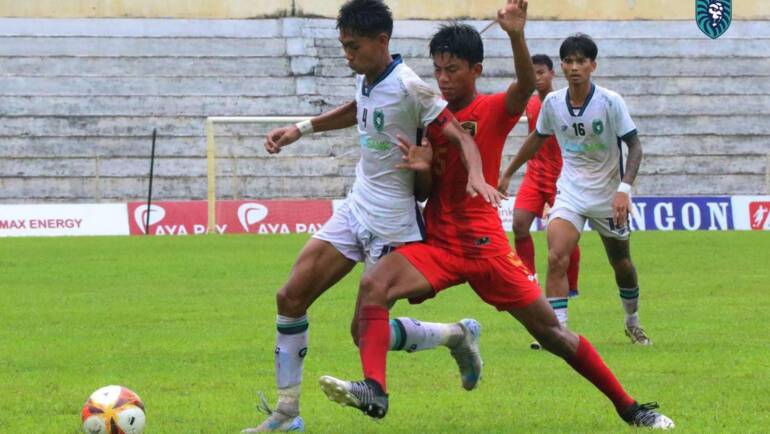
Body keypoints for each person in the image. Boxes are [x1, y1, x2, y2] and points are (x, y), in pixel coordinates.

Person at [318, 7, 674, 430]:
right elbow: (423, 193)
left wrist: (517, 37)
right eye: (438, 70)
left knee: (554, 336)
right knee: (372, 290)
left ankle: (631, 408)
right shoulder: (427, 118)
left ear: (475, 70)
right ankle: (379, 387)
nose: (444, 79)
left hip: (486, 247)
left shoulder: (492, 108)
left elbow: (525, 85)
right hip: (438, 244)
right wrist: (422, 170)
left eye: (453, 70)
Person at [243, 0, 504, 432]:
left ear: (382, 41)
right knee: (289, 297)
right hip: (356, 207)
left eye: (353, 46)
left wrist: (476, 175)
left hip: (394, 224)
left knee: (363, 333)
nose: (347, 55)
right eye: (343, 45)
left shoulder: (412, 87)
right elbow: (357, 110)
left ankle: (457, 335)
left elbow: (459, 135)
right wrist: (300, 129)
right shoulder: (368, 79)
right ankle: (287, 413)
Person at [500, 33, 653, 346]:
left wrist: (624, 189)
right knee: (556, 256)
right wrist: (508, 173)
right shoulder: (553, 103)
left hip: (609, 196)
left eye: (581, 61)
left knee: (621, 263)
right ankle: (557, 332)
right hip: (570, 192)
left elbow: (634, 146)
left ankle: (632, 320)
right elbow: (536, 138)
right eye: (568, 61)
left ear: (592, 65)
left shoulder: (610, 102)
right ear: (562, 66)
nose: (574, 67)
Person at [498, 54, 581, 350]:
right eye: (533, 74)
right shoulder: (532, 104)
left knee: (562, 237)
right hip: (536, 174)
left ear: (552, 74)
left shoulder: (563, 102)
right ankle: (529, 277)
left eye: (542, 73)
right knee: (519, 223)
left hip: (561, 176)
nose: (538, 78)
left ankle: (568, 287)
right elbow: (532, 140)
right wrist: (510, 172)